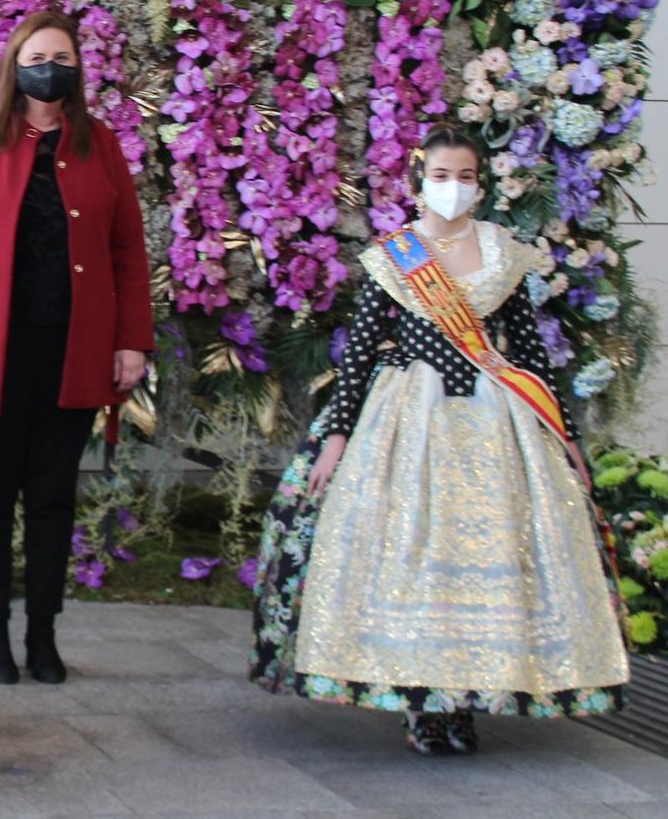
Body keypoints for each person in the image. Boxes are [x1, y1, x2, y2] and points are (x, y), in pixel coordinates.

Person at [249, 125, 629, 754]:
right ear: (419, 181)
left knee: (497, 561)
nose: (454, 189)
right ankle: (422, 702)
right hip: (408, 417)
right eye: (442, 176)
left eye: (467, 177)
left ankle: (471, 697)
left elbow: (530, 353)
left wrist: (566, 438)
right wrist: (339, 435)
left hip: (496, 422)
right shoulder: (395, 256)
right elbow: (361, 352)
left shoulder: (505, 253)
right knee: (410, 553)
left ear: (482, 186)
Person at [0, 12, 152, 686]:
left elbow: (126, 248)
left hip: (70, 350)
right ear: (15, 65)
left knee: (52, 501)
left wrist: (131, 340)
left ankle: (43, 634)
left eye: (63, 55)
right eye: (38, 54)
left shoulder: (98, 143)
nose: (51, 65)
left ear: (78, 69)